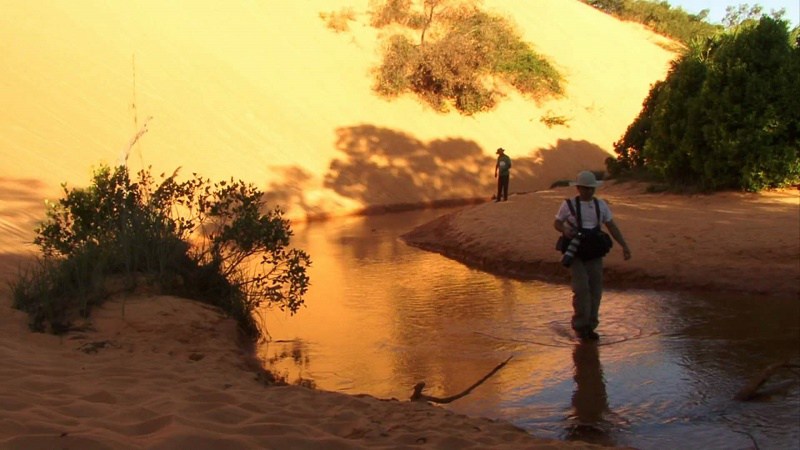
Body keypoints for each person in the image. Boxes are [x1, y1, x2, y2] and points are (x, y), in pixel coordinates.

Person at [553, 171, 631, 340]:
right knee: (581, 289)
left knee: (595, 290)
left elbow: (612, 226)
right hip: (576, 252)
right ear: (578, 188)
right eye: (585, 188)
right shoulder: (568, 205)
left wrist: (624, 246)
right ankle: (581, 327)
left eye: (591, 188)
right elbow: (557, 223)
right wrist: (565, 230)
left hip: (594, 251)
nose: (588, 191)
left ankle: (590, 326)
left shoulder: (601, 205)